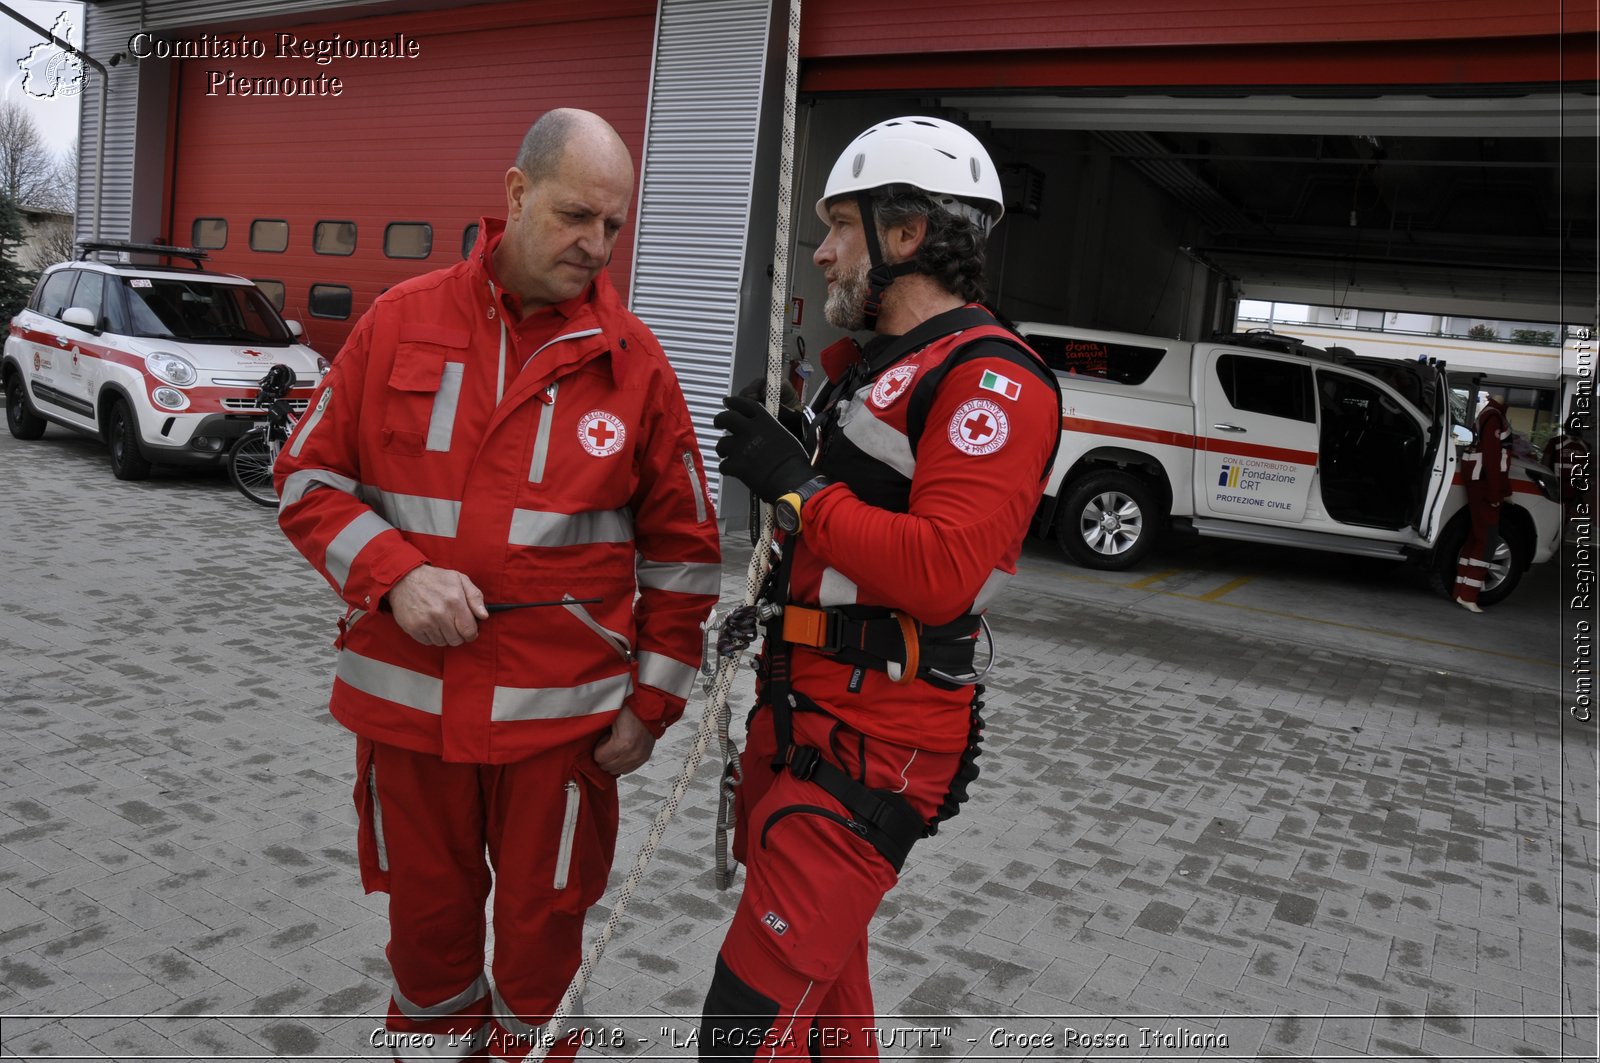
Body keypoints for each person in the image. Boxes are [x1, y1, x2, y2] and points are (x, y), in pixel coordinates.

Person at [274, 109, 721, 1062]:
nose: (594, 245)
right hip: (412, 717)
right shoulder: (401, 321)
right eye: (574, 216)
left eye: (613, 225)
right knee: (428, 949)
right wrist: (394, 577)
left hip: (559, 736)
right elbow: (307, 480)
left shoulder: (633, 366)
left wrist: (652, 705)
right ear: (515, 195)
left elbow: (684, 558)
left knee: (539, 956)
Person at [699, 116, 1061, 1059]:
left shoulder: (992, 381)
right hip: (806, 718)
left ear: (905, 236)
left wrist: (799, 485)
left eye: (840, 229)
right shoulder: (875, 374)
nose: (819, 252)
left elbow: (944, 573)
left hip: (871, 747)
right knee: (823, 1014)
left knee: (743, 1032)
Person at [1455, 392, 1512, 612]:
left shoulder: (1487, 414)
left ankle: (1461, 590)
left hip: (1479, 482)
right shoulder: (1494, 417)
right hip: (1484, 485)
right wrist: (1496, 493)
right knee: (1487, 540)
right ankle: (1468, 595)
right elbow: (1491, 457)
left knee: (1476, 538)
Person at [1542, 412, 1592, 520]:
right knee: (1565, 517)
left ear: (1566, 426)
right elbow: (1585, 470)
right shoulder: (1586, 446)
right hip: (1573, 490)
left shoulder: (1555, 442)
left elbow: (1544, 464)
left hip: (1554, 487)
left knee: (1551, 517)